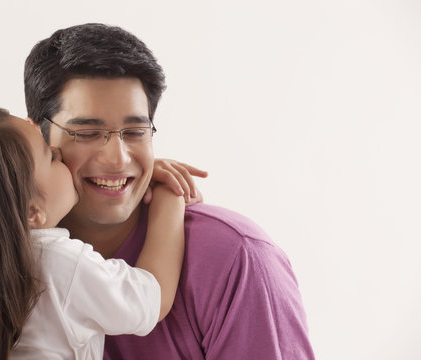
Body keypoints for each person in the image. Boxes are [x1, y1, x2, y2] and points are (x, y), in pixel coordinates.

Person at [24, 23, 316, 359]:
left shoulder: (236, 258)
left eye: (134, 132)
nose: (118, 159)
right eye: (87, 133)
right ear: (35, 137)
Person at [0, 102, 191, 359]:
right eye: (51, 156)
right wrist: (170, 198)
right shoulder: (57, 261)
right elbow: (152, 299)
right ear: (31, 212)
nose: (62, 155)